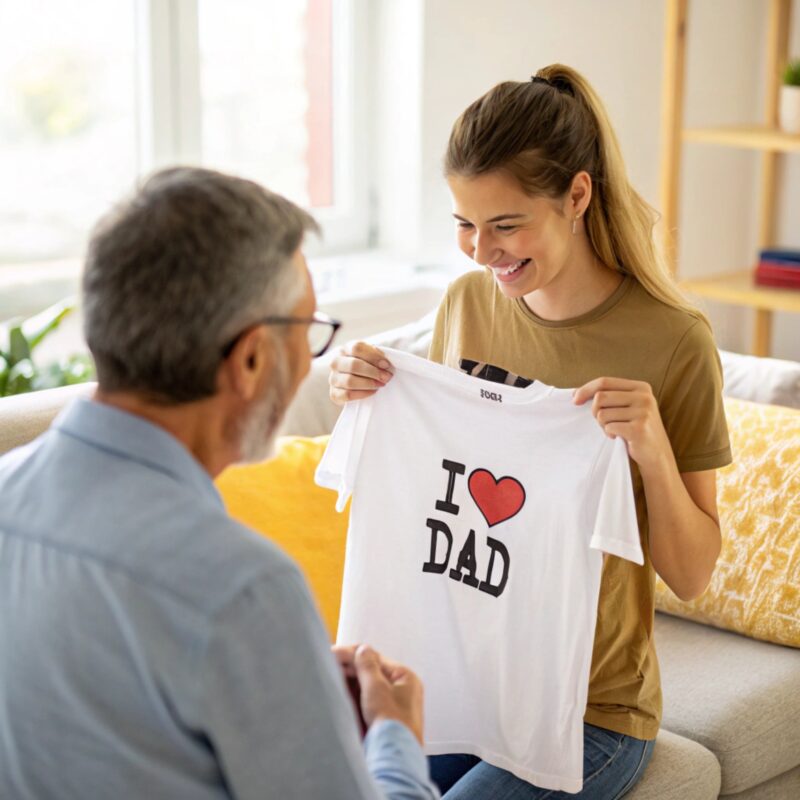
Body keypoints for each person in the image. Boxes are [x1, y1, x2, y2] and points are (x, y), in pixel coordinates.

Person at [328, 64, 731, 799]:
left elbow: (695, 574)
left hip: (590, 712)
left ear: (577, 195)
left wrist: (652, 451)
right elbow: (441, 470)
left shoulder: (675, 341)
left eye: (506, 224)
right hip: (462, 677)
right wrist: (362, 391)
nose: (483, 251)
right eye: (464, 224)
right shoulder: (467, 305)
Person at [0, 167, 440, 800]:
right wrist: (394, 738)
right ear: (252, 360)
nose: (310, 363)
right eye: (309, 332)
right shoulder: (244, 592)